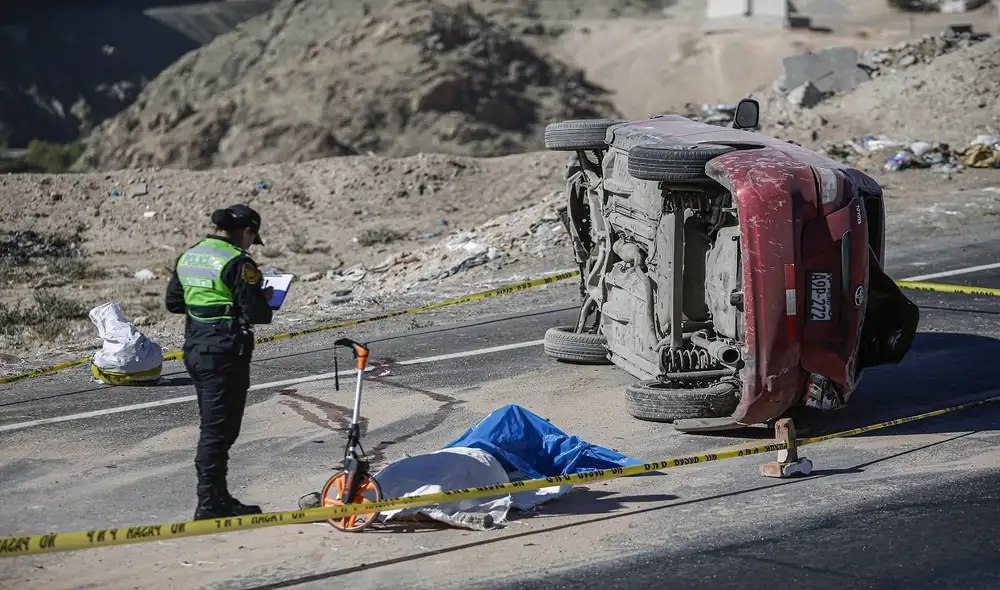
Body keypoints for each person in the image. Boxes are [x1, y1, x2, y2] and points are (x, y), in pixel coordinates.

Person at [165, 204, 275, 520]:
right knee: (218, 431)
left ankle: (220, 497)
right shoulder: (239, 263)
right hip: (224, 353)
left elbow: (174, 303)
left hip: (196, 349)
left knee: (216, 427)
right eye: (252, 238)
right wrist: (263, 300)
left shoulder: (190, 255)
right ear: (247, 232)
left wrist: (209, 304)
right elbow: (257, 314)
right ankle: (209, 503)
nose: (250, 245)